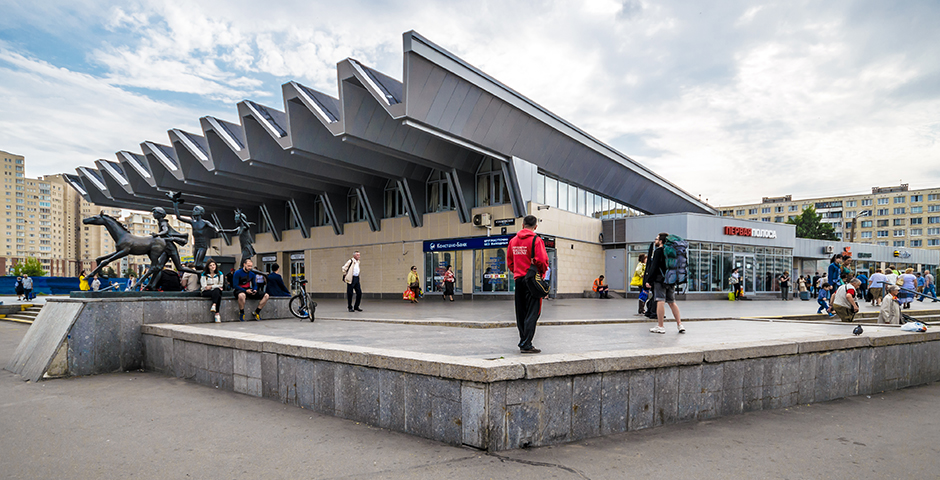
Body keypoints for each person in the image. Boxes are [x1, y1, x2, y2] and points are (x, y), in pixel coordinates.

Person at [507, 215, 548, 353]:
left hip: (519, 280)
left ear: (522, 225)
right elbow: (542, 261)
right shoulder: (536, 240)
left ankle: (523, 340)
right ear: (535, 226)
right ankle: (526, 343)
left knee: (521, 312)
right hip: (531, 280)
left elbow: (510, 262)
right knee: (533, 312)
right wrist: (540, 274)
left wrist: (517, 271)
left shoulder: (513, 241)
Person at [646, 232, 685, 334]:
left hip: (660, 280)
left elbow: (654, 267)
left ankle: (660, 326)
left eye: (657, 239)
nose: (655, 240)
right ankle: (680, 324)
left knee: (660, 301)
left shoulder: (659, 251)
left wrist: (649, 280)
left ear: (661, 241)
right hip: (671, 280)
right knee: (672, 302)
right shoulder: (672, 252)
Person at [172, 200, 220, 270]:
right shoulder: (192, 222)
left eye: (196, 210)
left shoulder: (205, 222)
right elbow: (179, 217)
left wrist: (217, 229)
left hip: (202, 246)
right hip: (196, 246)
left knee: (198, 264)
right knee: (197, 266)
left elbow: (213, 226)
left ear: (201, 212)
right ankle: (201, 278)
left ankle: (211, 271)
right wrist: (175, 205)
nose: (193, 211)